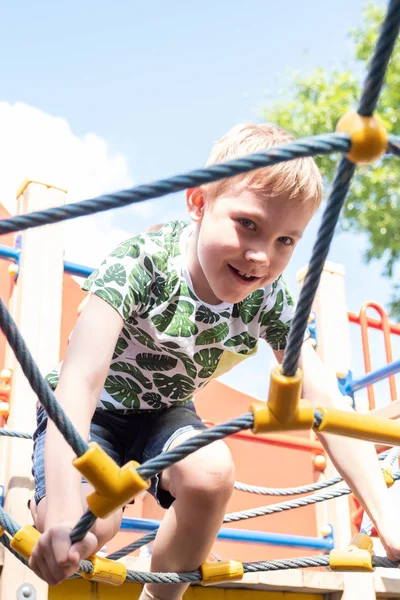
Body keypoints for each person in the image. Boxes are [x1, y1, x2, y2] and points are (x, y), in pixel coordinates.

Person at [29, 123, 400, 598]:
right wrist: (62, 513)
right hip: (89, 415)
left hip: (164, 415)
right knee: (89, 531)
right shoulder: (141, 264)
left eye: (286, 240)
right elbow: (81, 380)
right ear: (199, 204)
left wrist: (386, 518)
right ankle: (63, 510)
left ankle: (161, 594)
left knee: (213, 472)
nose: (261, 256)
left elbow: (323, 395)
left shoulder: (269, 298)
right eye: (248, 224)